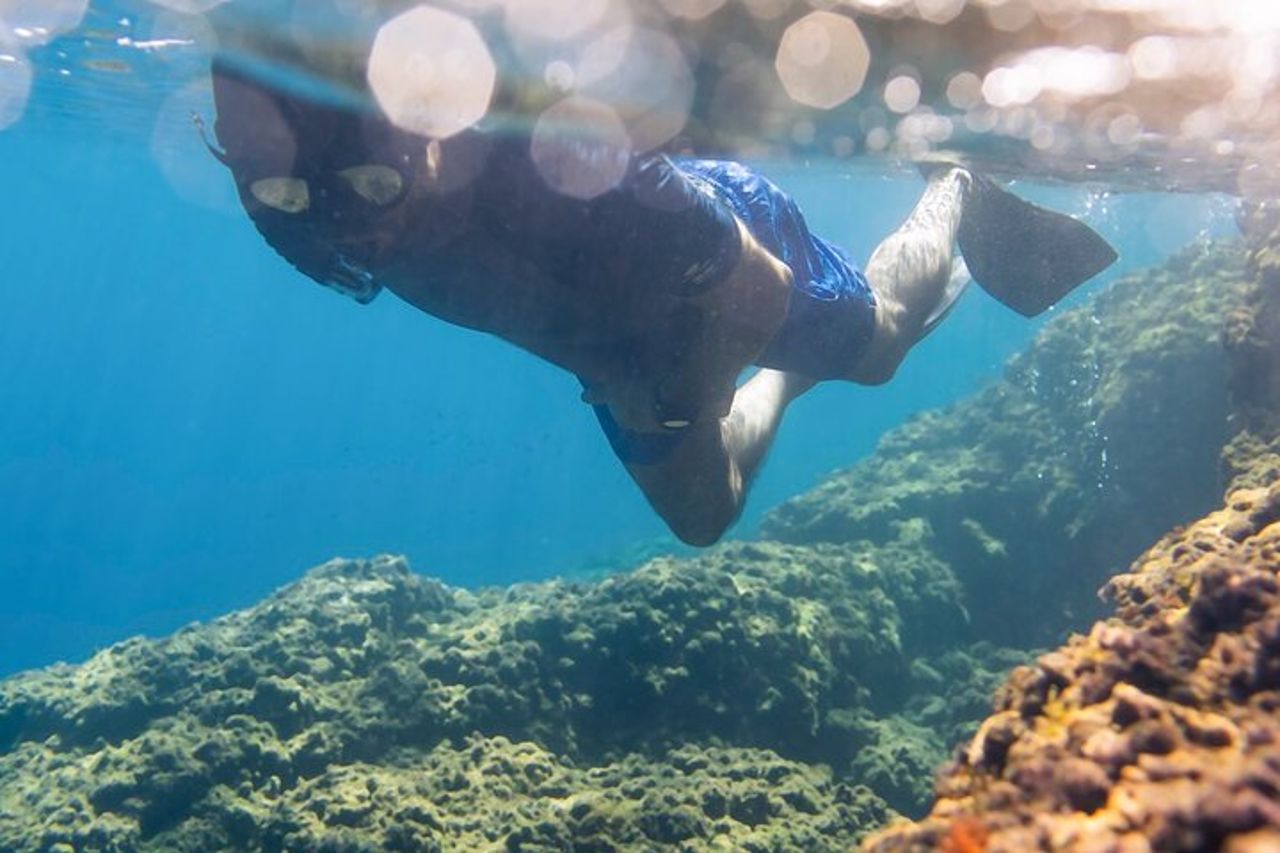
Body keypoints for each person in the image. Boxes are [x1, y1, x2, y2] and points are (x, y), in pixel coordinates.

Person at [205, 60, 1116, 546]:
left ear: (424, 125)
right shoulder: (319, 204)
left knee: (877, 348)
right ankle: (777, 376)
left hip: (721, 263)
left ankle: (952, 187)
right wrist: (611, 368)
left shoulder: (573, 168)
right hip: (613, 344)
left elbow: (753, 283)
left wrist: (690, 388)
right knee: (703, 517)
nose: (347, 229)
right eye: (279, 194)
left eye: (372, 186)